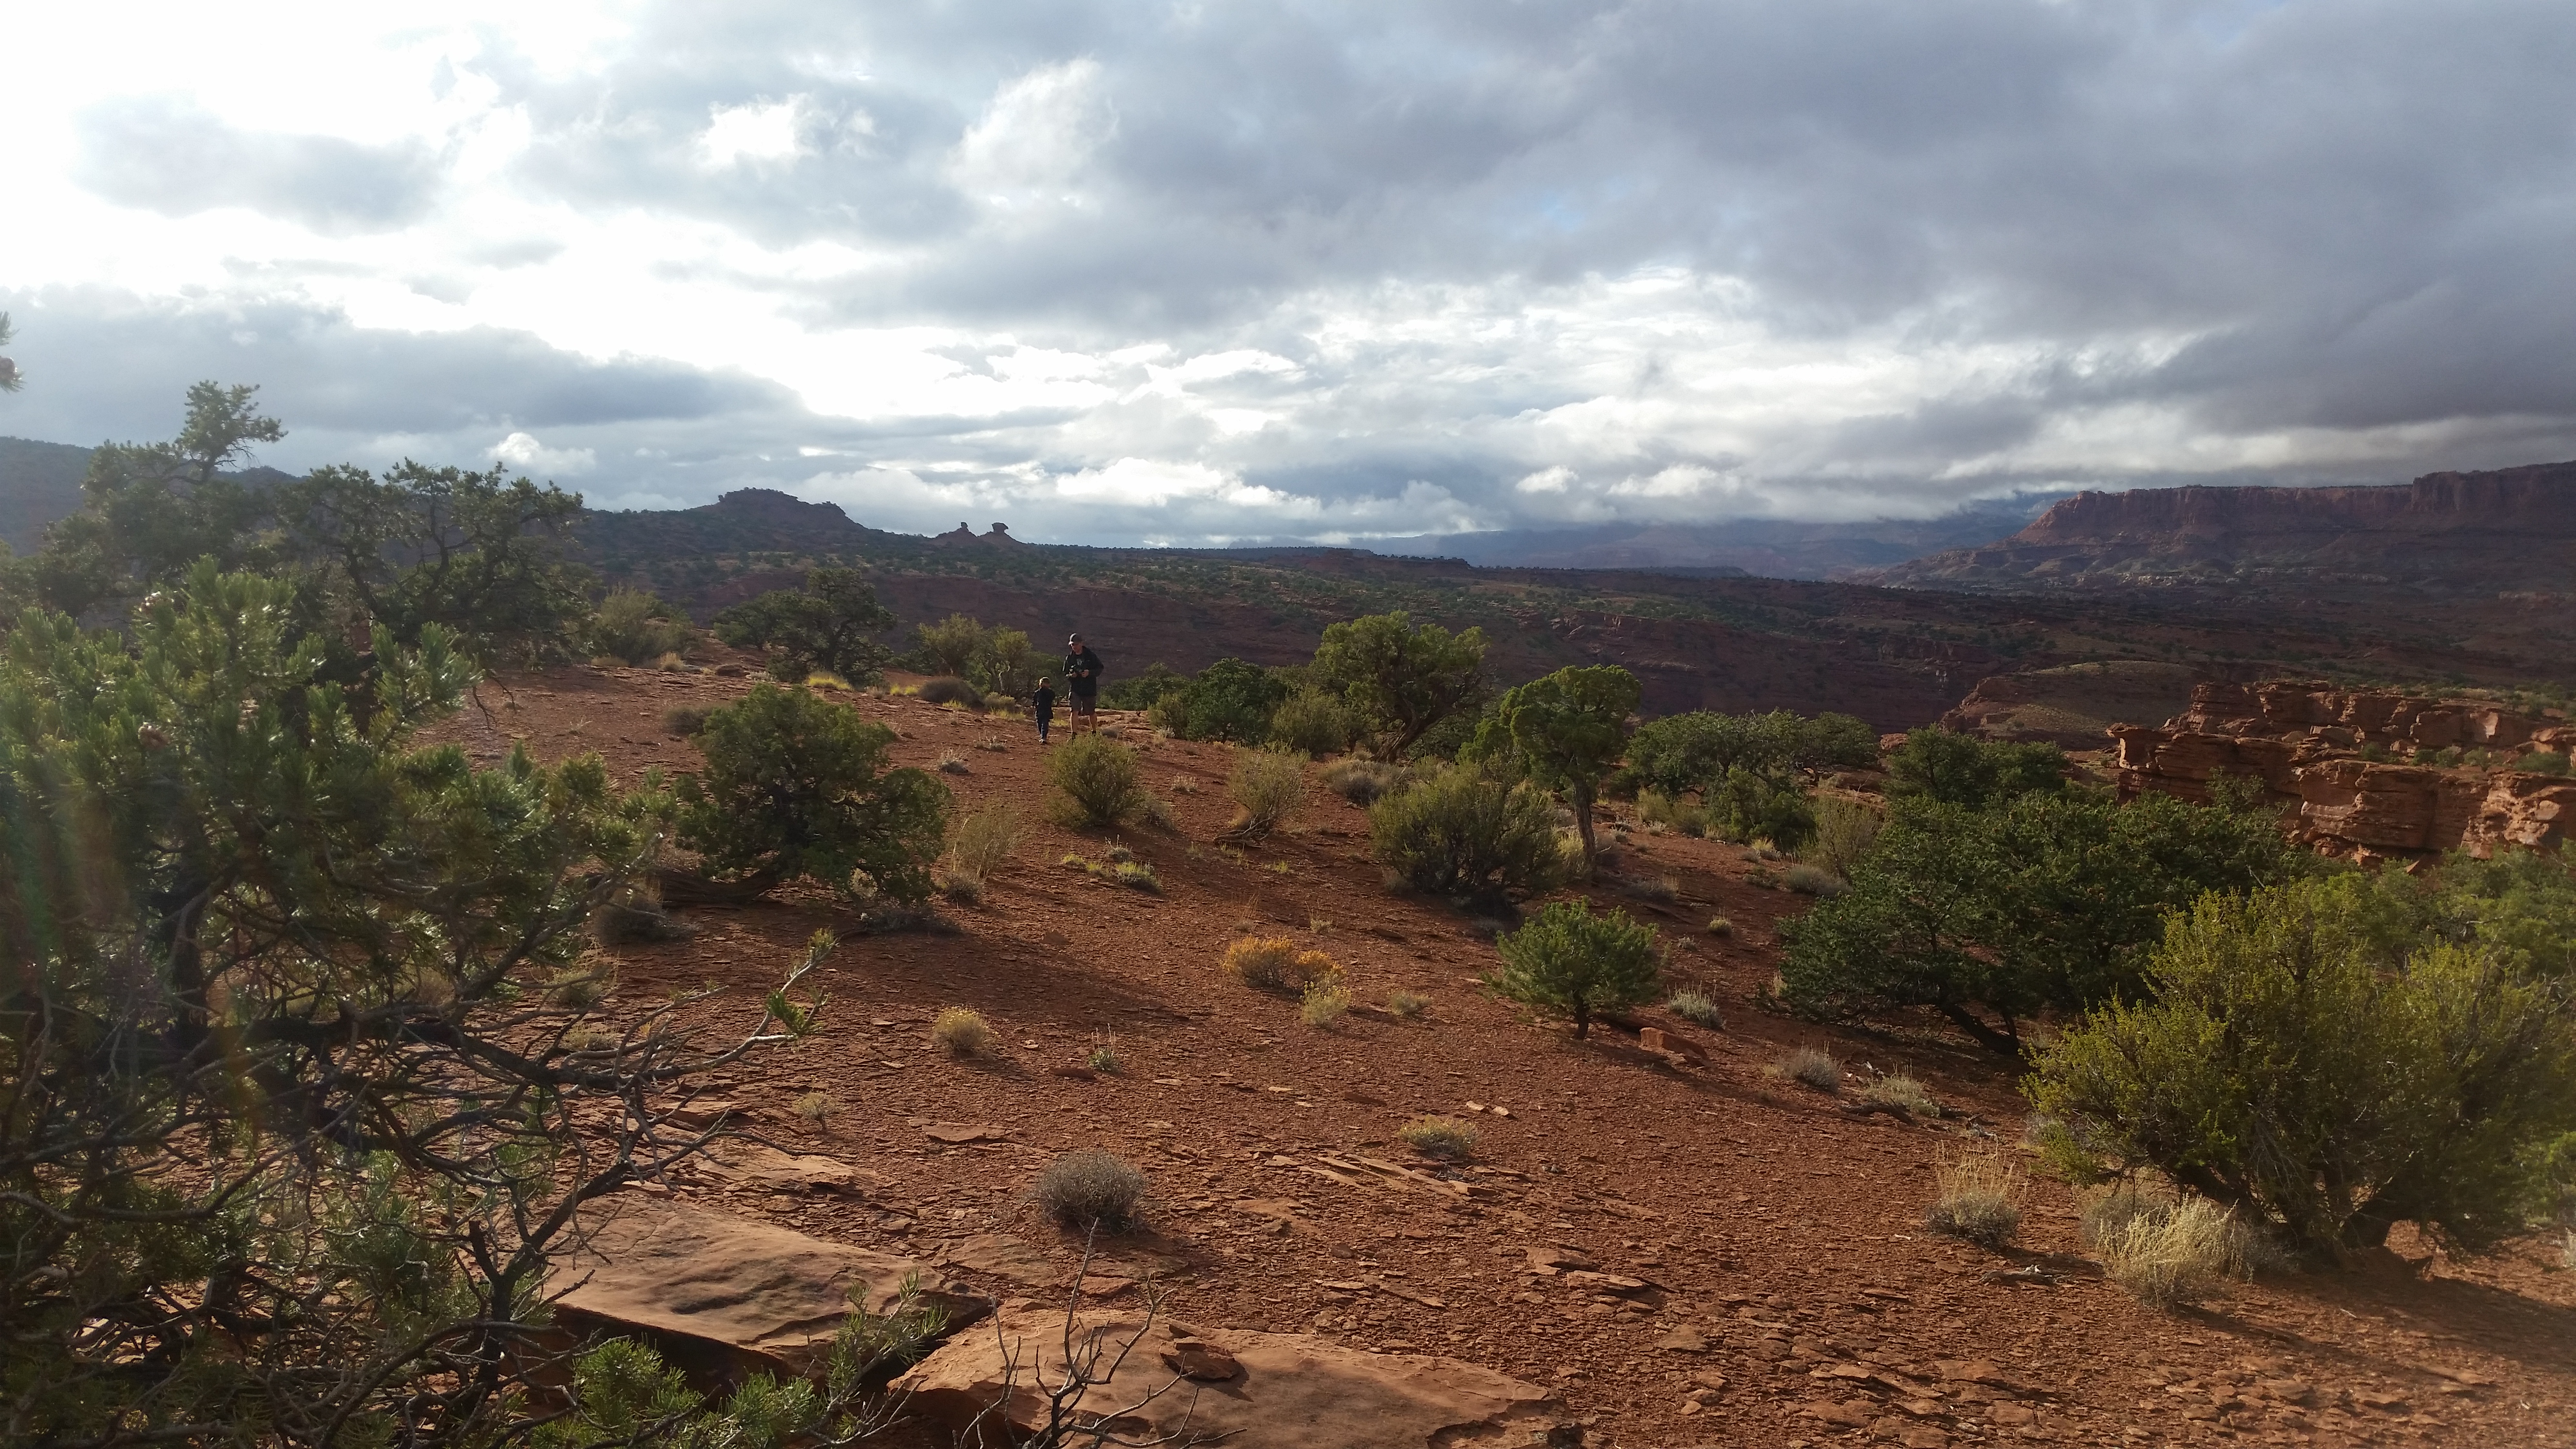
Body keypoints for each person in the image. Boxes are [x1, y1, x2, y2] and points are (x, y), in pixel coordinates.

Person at [1062, 633, 1104, 734]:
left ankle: (1094, 732)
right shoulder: (1069, 658)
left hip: (1089, 689)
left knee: (1091, 712)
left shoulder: (1090, 656)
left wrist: (1089, 673)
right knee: (1074, 711)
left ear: (1081, 644)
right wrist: (1071, 676)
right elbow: (1065, 673)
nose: (1074, 647)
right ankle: (1074, 734)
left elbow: (1100, 668)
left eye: (1076, 644)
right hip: (1075, 688)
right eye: (1072, 645)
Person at [1032, 676, 1057, 744]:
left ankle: (1044, 737)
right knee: (1039, 723)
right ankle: (1042, 736)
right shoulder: (1037, 693)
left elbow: (1052, 698)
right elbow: (1034, 700)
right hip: (1039, 710)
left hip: (1047, 710)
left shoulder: (1051, 692)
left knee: (1045, 724)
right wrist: (1035, 706)